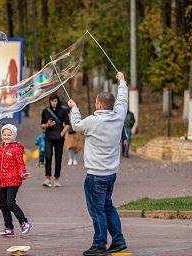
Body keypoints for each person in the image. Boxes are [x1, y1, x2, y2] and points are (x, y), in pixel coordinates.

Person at [68, 72, 128, 255]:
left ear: (99, 105)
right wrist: (122, 82)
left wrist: (74, 108)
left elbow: (76, 125)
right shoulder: (119, 118)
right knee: (107, 207)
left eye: (95, 102)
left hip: (95, 176)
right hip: (111, 174)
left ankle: (99, 245)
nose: (95, 104)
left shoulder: (93, 121)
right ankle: (118, 240)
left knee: (97, 211)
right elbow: (122, 101)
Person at [40, 94, 70, 187]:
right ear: (50, 101)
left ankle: (56, 179)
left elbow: (68, 124)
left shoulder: (63, 110)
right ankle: (47, 178)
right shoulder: (45, 111)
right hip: (49, 137)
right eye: (52, 101)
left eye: (56, 101)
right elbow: (42, 126)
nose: (54, 103)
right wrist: (47, 124)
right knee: (48, 157)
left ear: (58, 101)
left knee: (58, 158)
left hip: (59, 138)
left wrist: (62, 133)